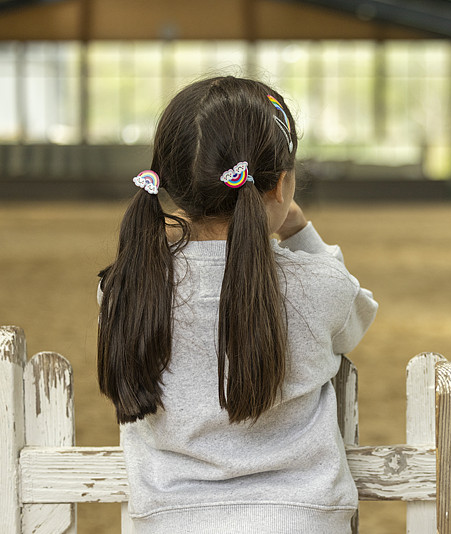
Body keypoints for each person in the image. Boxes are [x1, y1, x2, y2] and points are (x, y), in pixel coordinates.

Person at [96, 76, 378, 533]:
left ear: (171, 185)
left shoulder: (125, 288)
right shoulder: (319, 286)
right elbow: (358, 315)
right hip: (301, 520)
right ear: (281, 185)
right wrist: (300, 234)